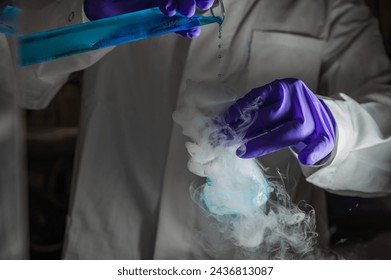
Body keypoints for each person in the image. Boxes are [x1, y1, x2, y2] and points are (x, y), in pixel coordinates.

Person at [19, 0, 391, 259]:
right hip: (111, 248)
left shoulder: (331, 8)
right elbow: (15, 78)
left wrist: (338, 128)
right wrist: (87, 12)